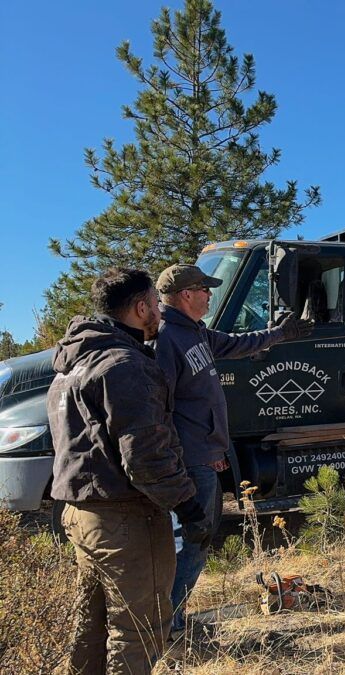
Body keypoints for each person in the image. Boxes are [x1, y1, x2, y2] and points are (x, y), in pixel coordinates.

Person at [48, 268, 210, 674]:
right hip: (124, 519)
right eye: (156, 304)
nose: (159, 311)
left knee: (92, 624)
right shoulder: (126, 365)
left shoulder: (70, 365)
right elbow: (145, 456)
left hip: (81, 516)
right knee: (140, 629)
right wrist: (188, 507)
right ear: (140, 308)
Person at [153, 263, 313, 638]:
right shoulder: (166, 339)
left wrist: (280, 334)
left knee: (199, 538)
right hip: (189, 462)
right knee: (192, 539)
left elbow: (239, 344)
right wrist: (187, 456)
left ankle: (172, 620)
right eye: (204, 289)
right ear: (185, 295)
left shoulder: (196, 333)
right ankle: (169, 625)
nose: (210, 294)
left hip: (203, 457)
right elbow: (161, 409)